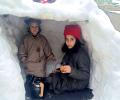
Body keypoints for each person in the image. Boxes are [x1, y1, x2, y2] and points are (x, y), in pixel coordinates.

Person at [18, 18, 55, 99]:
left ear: (39, 28)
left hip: (40, 70)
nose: (34, 29)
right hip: (30, 70)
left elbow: (48, 50)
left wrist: (51, 57)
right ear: (29, 28)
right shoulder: (25, 39)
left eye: (36, 27)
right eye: (32, 27)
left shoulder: (42, 39)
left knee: (40, 92)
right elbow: (21, 52)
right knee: (29, 90)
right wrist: (25, 60)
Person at [50, 24, 90, 94]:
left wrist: (71, 70)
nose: (69, 42)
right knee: (52, 77)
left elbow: (86, 75)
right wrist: (59, 69)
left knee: (55, 84)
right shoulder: (69, 50)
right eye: (67, 39)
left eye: (72, 39)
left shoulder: (81, 54)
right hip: (70, 78)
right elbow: (64, 64)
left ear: (76, 40)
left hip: (79, 83)